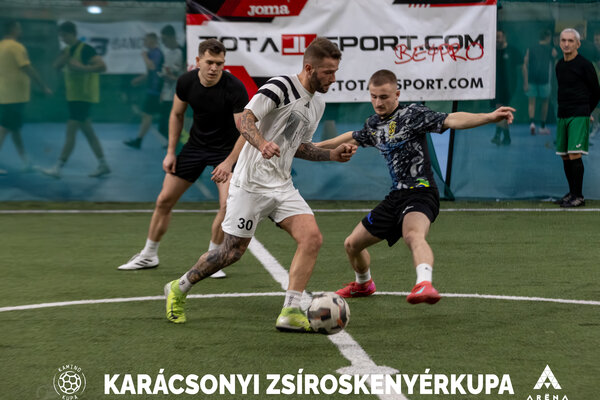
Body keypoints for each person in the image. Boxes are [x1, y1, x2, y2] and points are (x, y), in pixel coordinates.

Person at [163, 37, 357, 331]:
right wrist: (262, 143)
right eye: (328, 72)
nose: (333, 78)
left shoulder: (318, 103)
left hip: (282, 185)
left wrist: (332, 155)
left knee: (312, 238)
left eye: (335, 72)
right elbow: (245, 120)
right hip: (250, 184)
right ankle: (179, 287)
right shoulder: (281, 86)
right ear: (309, 68)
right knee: (231, 253)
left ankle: (290, 311)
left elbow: (298, 146)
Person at [315, 69, 515, 304]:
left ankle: (424, 284)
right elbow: (353, 136)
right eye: (373, 96)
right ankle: (363, 284)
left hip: (421, 192)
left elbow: (451, 119)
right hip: (396, 196)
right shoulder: (373, 124)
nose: (378, 103)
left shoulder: (413, 115)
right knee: (352, 244)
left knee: (412, 235)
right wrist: (313, 147)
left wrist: (489, 117)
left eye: (384, 97)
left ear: (397, 94)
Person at [118, 39, 249, 279]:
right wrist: (170, 151)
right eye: (209, 62)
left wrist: (229, 162)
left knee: (227, 206)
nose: (214, 68)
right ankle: (149, 255)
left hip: (226, 151)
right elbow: (176, 114)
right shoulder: (186, 82)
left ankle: (213, 260)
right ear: (198, 61)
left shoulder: (235, 88)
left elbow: (246, 131)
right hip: (195, 147)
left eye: (219, 63)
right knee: (164, 200)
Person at [42, 21, 109, 178]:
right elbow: (56, 65)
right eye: (61, 36)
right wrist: (65, 57)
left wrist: (83, 68)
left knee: (70, 131)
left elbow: (102, 66)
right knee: (88, 133)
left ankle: (58, 167)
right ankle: (103, 164)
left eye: (64, 35)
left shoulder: (85, 49)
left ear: (72, 34)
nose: (63, 39)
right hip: (73, 96)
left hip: (83, 97)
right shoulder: (67, 50)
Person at [553, 28, 600, 208]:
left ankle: (578, 196)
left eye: (571, 41)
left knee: (574, 154)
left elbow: (596, 92)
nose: (566, 44)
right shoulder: (559, 65)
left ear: (578, 44)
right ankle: (572, 193)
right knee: (565, 156)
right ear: (559, 43)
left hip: (579, 114)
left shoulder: (585, 65)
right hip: (562, 114)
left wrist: (586, 112)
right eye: (563, 40)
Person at [0, 20, 52, 173]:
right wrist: (42, 86)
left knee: (14, 128)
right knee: (4, 128)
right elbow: (26, 67)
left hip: (5, 94)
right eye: (19, 28)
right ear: (14, 29)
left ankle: (25, 161)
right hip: (14, 95)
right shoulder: (16, 47)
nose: (21, 31)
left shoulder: (1, 46)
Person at [123, 33, 164, 149]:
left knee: (151, 115)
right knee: (147, 115)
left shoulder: (156, 53)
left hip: (158, 90)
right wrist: (139, 80)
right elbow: (151, 73)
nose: (144, 43)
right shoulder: (152, 53)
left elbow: (152, 67)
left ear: (152, 40)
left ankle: (140, 140)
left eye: (146, 40)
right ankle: (139, 140)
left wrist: (144, 56)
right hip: (153, 90)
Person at [523, 29, 556, 135]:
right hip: (544, 79)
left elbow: (525, 65)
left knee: (531, 103)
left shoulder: (531, 49)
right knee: (545, 103)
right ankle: (542, 127)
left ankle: (532, 123)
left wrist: (525, 82)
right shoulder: (551, 50)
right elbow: (556, 63)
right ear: (548, 38)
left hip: (532, 79)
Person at [491, 29, 521, 146]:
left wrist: (523, 83)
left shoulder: (512, 50)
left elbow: (521, 67)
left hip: (509, 87)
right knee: (501, 111)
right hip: (496, 86)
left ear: (504, 37)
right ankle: (504, 137)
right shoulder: (492, 52)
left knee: (501, 110)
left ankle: (499, 135)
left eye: (499, 37)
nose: (497, 39)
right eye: (496, 37)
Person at [157, 25, 184, 141]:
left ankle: (181, 144)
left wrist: (173, 78)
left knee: (175, 125)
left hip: (179, 95)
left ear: (172, 37)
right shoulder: (166, 53)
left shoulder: (182, 52)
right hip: (168, 94)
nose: (163, 42)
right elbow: (163, 72)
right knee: (163, 127)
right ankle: (177, 144)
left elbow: (185, 76)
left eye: (165, 39)